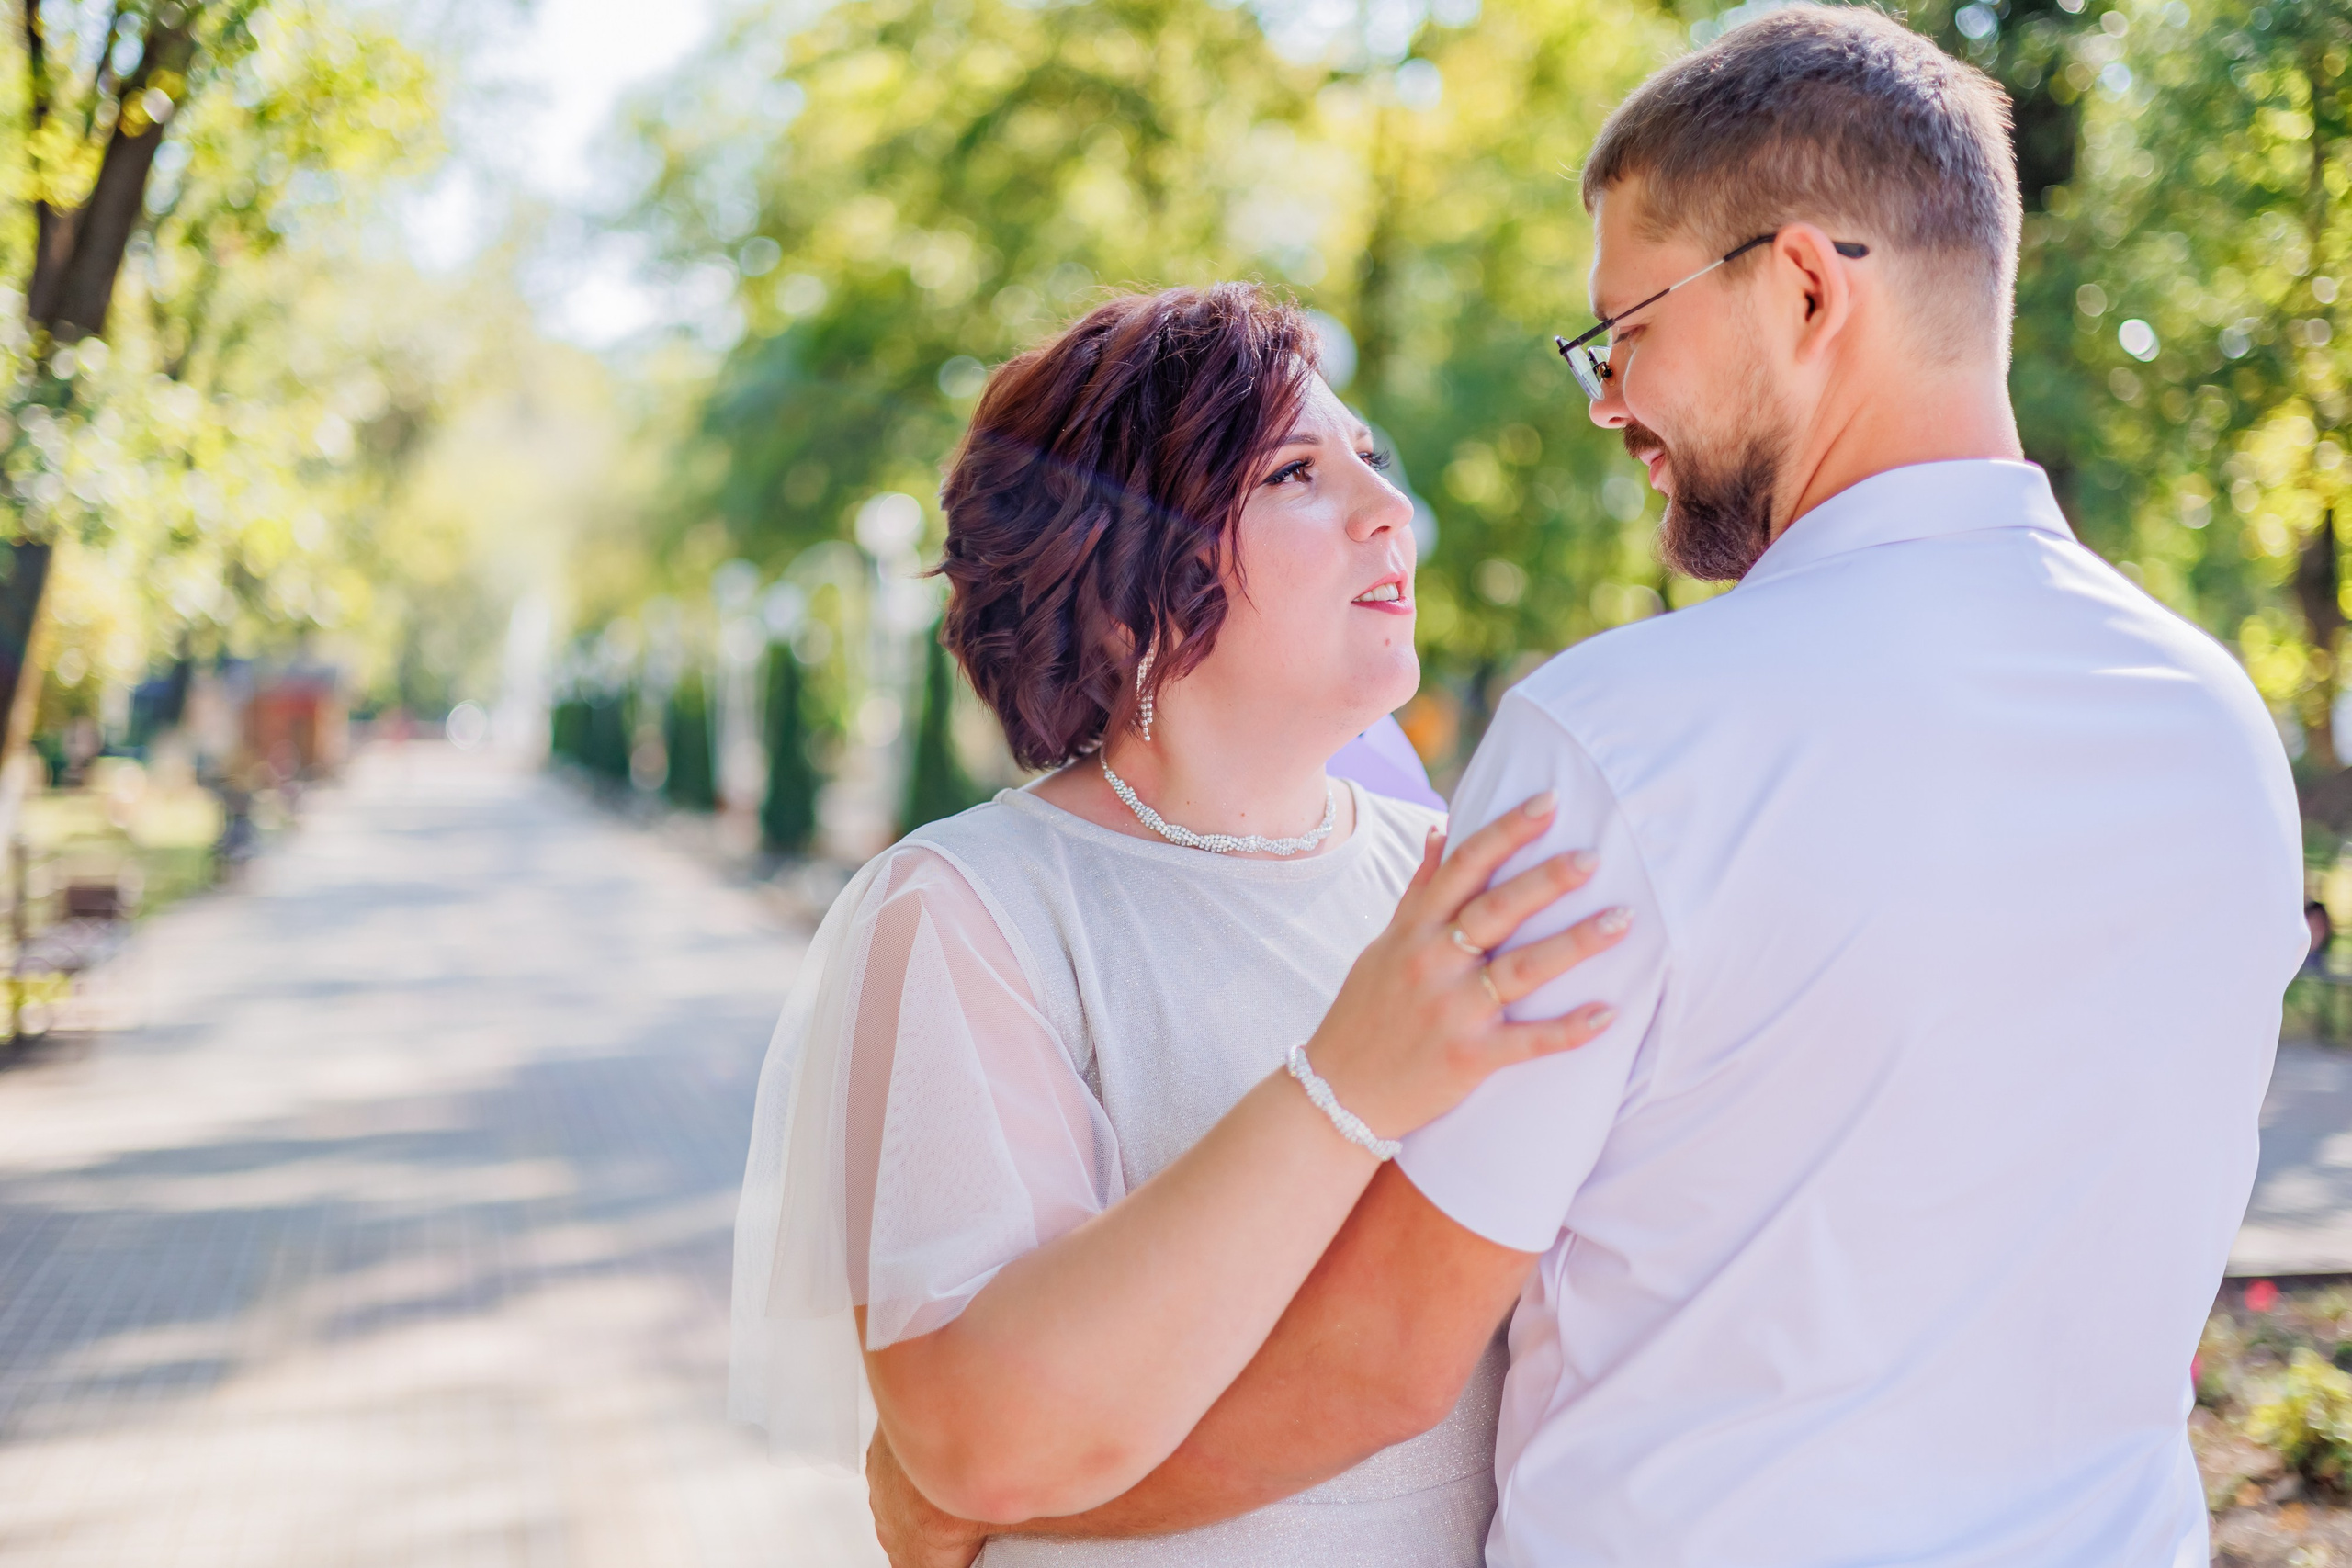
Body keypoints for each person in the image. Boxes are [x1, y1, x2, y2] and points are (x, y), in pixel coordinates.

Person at [865, 9, 2307, 1565]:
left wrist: (962, 1500)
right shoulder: (2216, 727)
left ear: (1806, 286)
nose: (1610, 397)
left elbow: (1385, 1363)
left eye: (1629, 329)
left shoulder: (1628, 742)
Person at [730, 282, 1631, 1565]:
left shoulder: (1447, 880)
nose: (1393, 515)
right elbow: (983, 1441)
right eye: (1296, 474)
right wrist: (1345, 1084)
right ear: (1118, 580)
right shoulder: (970, 911)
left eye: (1373, 463)